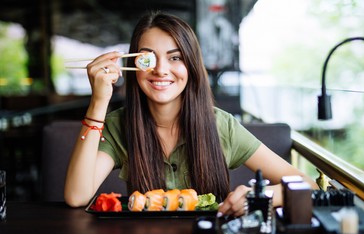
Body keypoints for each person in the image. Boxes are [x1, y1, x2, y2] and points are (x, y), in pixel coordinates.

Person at [64, 11, 318, 217]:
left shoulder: (221, 125)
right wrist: (99, 100)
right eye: (147, 59)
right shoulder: (120, 124)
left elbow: (308, 184)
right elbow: (77, 196)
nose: (161, 70)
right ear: (133, 65)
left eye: (175, 58)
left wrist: (257, 197)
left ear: (191, 66)